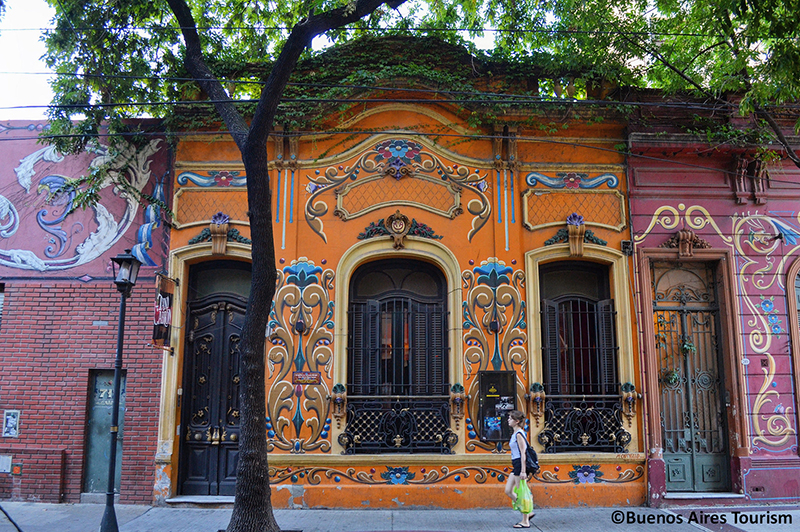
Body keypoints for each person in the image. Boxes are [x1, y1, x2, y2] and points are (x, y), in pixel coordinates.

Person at [504, 409, 535, 528]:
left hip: (519, 465)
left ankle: (525, 520)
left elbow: (523, 453)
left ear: (517, 421)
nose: (508, 420)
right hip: (516, 465)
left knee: (521, 491)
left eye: (511, 418)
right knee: (508, 490)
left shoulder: (519, 434)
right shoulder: (515, 433)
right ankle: (528, 510)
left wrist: (523, 471)